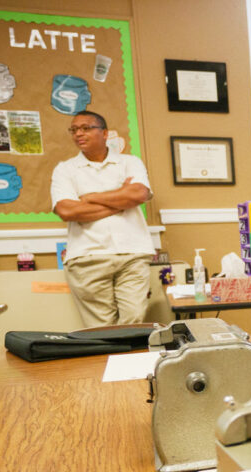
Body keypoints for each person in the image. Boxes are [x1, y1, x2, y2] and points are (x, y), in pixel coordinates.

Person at [51, 110, 154, 326]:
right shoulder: (65, 169)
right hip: (88, 257)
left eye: (86, 128)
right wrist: (120, 202)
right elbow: (67, 211)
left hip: (132, 253)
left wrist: (90, 199)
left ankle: (128, 361)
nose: (79, 133)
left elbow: (138, 194)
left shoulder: (130, 162)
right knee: (101, 331)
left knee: (134, 321)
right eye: (74, 129)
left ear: (105, 133)